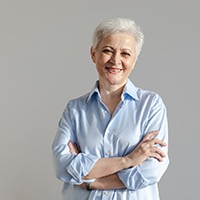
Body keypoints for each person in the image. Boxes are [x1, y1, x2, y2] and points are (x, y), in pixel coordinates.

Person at [52, 18, 169, 200]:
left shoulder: (151, 105)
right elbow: (61, 165)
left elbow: (151, 169)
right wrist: (128, 160)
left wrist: (89, 180)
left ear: (134, 60)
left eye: (125, 54)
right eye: (107, 50)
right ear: (93, 54)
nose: (116, 60)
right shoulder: (75, 110)